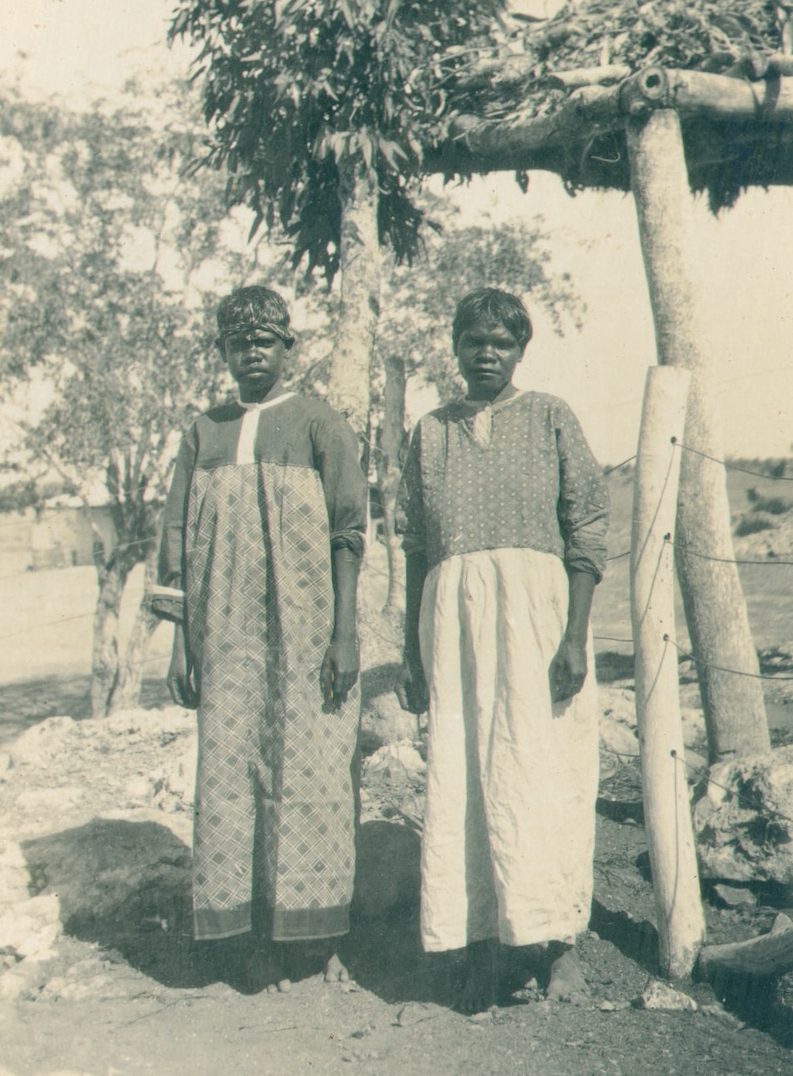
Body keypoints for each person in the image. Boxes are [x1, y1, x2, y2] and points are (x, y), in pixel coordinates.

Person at [394, 287, 609, 1012]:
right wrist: (410, 647)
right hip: (452, 622)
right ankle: (484, 944)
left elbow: (586, 529)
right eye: (473, 340)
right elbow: (417, 547)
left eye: (501, 342)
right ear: (453, 347)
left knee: (544, 772)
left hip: (537, 619)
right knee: (465, 777)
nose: (486, 353)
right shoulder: (429, 432)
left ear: (520, 350)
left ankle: (556, 946)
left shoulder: (550, 417)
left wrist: (574, 634)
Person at [156, 286, 367, 991]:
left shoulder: (318, 423)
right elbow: (179, 541)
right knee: (228, 773)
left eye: (264, 343)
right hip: (223, 638)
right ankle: (240, 942)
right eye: (237, 344)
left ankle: (314, 941)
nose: (251, 355)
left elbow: (348, 533)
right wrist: (181, 645)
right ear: (223, 352)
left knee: (308, 771)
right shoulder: (203, 432)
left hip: (306, 638)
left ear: (287, 348)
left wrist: (343, 635)